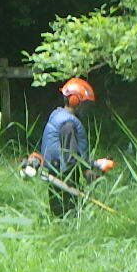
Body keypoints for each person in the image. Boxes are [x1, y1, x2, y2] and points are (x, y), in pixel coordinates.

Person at [39, 76, 101, 217]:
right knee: (68, 213)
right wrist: (87, 172)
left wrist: (91, 164)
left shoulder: (58, 116)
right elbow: (70, 156)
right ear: (75, 100)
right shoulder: (68, 125)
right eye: (85, 104)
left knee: (58, 211)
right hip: (64, 176)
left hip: (55, 171)